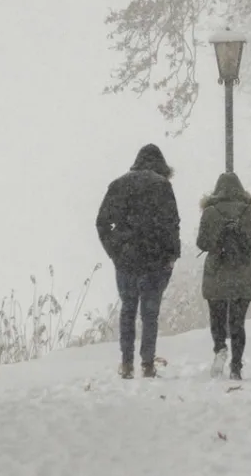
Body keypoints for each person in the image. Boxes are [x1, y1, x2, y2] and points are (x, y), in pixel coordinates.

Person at [96, 144, 181, 379]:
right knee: (150, 314)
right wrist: (171, 255)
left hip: (127, 259)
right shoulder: (162, 186)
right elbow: (172, 223)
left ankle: (126, 364)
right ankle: (147, 364)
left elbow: (102, 222)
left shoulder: (119, 185)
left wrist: (115, 250)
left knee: (128, 310)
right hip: (155, 258)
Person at [196, 172, 251, 380]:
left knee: (217, 317)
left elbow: (202, 243)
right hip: (243, 274)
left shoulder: (210, 212)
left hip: (217, 273)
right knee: (237, 322)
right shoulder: (250, 211)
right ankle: (236, 366)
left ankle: (220, 348)